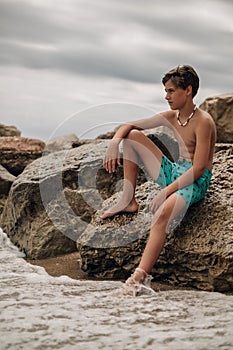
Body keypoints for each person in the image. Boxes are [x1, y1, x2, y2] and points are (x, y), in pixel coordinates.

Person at [101, 65, 216, 296]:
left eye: (171, 91)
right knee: (132, 137)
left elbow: (199, 168)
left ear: (189, 90)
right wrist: (114, 142)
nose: (166, 96)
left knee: (162, 213)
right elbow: (129, 126)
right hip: (175, 171)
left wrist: (167, 192)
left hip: (195, 180)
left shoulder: (204, 121)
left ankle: (138, 278)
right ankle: (127, 199)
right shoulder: (171, 117)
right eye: (166, 91)